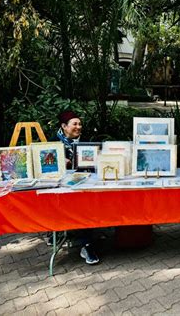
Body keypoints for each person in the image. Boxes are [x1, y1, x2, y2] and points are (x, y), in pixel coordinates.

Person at [52, 110, 100, 265]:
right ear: (64, 126)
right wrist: (59, 161)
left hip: (84, 185)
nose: (78, 127)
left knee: (86, 203)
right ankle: (86, 243)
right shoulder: (53, 144)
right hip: (61, 188)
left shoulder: (87, 142)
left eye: (80, 124)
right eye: (75, 124)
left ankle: (86, 243)